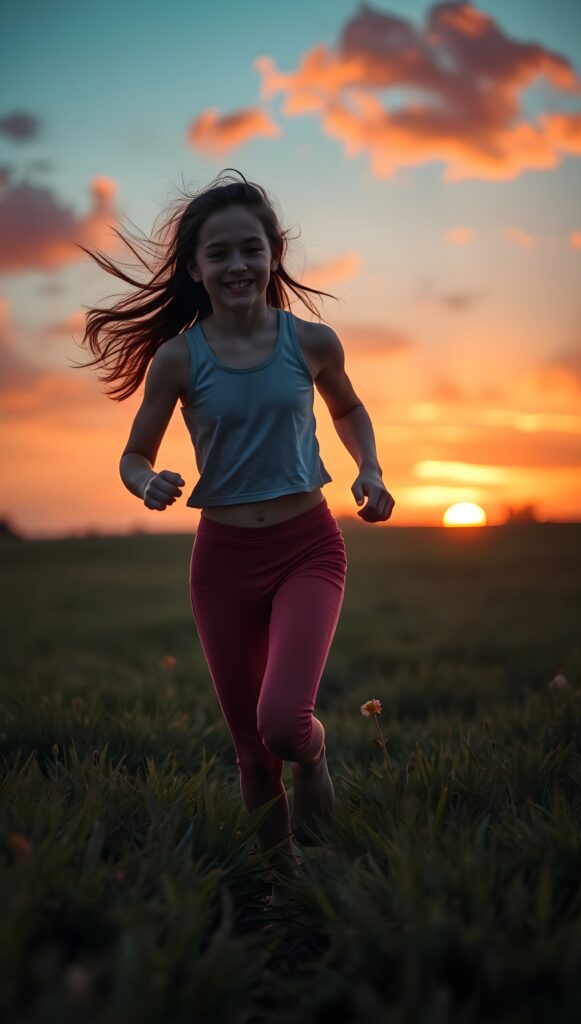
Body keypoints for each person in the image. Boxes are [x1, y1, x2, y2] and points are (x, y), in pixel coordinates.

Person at [77, 169, 395, 913]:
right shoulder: (179, 359)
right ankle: (287, 895)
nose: (236, 265)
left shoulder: (310, 340)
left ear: (273, 253)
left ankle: (314, 755)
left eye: (250, 249)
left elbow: (349, 409)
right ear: (194, 268)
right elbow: (133, 455)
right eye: (217, 254)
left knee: (284, 724)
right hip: (221, 565)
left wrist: (370, 469)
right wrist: (143, 481)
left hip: (308, 547)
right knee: (251, 752)